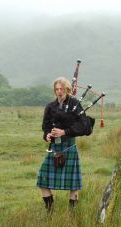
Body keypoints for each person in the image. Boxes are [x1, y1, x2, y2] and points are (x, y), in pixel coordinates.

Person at [36, 77, 89, 212]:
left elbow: (84, 125)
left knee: (73, 185)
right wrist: (47, 135)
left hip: (69, 146)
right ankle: (50, 211)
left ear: (67, 90)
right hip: (54, 148)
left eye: (62, 89)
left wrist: (64, 131)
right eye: (57, 89)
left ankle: (72, 214)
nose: (59, 92)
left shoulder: (75, 105)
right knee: (42, 178)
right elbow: (45, 127)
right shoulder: (50, 107)